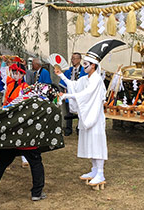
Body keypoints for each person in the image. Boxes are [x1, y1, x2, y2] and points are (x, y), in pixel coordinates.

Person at [55, 39, 125, 189]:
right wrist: (61, 75)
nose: (84, 67)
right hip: (88, 117)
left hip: (95, 117)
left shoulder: (96, 81)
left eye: (86, 64)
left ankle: (100, 172)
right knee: (90, 143)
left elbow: (85, 94)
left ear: (94, 65)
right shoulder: (85, 78)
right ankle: (94, 170)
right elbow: (74, 85)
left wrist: (67, 96)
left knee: (97, 143)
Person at [0, 63, 46, 209]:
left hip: (21, 132)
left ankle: (36, 192)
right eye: (13, 71)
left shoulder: (26, 89)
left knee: (34, 161)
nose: (15, 74)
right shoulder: (9, 85)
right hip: (14, 132)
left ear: (22, 74)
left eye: (18, 72)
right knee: (2, 165)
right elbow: (6, 103)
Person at [59, 52, 87, 136]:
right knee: (69, 112)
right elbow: (63, 82)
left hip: (79, 95)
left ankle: (79, 128)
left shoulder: (84, 70)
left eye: (74, 58)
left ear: (79, 60)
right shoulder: (69, 70)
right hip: (69, 95)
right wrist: (64, 90)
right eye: (72, 58)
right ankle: (68, 129)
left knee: (80, 112)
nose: (72, 60)